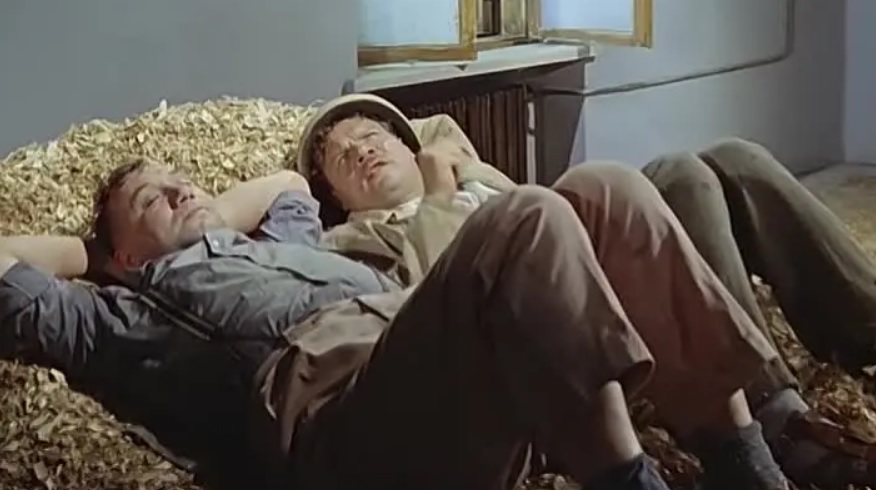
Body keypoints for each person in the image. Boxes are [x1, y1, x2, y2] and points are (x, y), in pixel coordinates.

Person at [1, 138, 785, 488]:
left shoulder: (284, 237)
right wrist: (96, 255)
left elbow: (287, 186)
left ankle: (743, 459)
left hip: (429, 351)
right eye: (152, 197)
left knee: (607, 187)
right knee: (528, 215)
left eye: (184, 179)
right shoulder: (115, 315)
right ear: (123, 253)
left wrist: (196, 213)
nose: (181, 189)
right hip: (344, 422)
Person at [292, 92, 876, 489]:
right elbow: (439, 325)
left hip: (611, 267)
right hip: (563, 329)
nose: (363, 150)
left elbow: (560, 209)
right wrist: (439, 199)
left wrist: (465, 171)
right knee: (630, 187)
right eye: (343, 158)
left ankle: (804, 383)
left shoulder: (478, 179)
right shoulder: (349, 244)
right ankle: (771, 416)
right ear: (336, 198)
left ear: (409, 144)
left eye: (373, 136)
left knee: (693, 168)